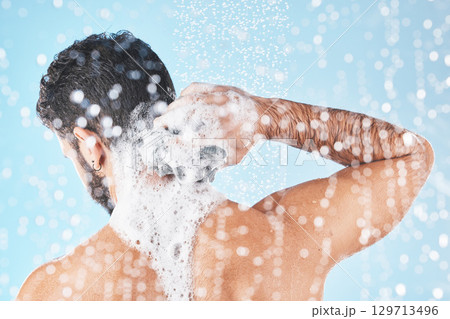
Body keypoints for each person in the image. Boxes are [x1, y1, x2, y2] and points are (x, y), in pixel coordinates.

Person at [17, 31, 434, 301]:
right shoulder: (283, 236)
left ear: (90, 145)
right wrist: (264, 116)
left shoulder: (52, 294)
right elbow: (410, 155)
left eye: (68, 153)